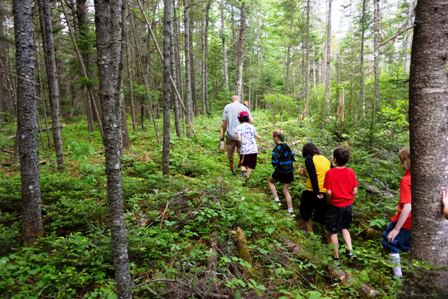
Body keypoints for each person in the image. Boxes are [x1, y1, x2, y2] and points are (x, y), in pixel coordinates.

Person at [381, 147, 411, 279]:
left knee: (389, 240)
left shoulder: (406, 180)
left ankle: (398, 277)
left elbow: (408, 206)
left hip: (405, 221)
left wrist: (397, 229)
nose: (401, 164)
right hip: (417, 221)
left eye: (402, 161)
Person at [323, 147, 358, 260]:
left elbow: (328, 192)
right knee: (345, 228)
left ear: (334, 159)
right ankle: (350, 251)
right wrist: (349, 200)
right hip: (348, 205)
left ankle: (336, 256)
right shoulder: (350, 172)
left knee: (332, 231)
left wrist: (328, 202)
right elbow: (355, 191)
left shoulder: (330, 173)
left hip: (334, 206)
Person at [299, 143, 332, 232]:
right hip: (326, 191)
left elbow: (314, 176)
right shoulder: (326, 159)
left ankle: (310, 234)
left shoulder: (309, 159)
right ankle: (329, 240)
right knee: (323, 217)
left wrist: (317, 192)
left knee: (306, 212)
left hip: (313, 191)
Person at [220, 95, 252, 174]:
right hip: (242, 135)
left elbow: (224, 123)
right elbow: (251, 121)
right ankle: (243, 168)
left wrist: (222, 134)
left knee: (230, 153)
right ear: (239, 100)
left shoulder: (227, 107)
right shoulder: (244, 108)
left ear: (232, 100)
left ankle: (232, 170)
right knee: (242, 152)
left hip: (230, 134)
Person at [268, 130, 295, 216]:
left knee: (270, 181)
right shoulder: (287, 146)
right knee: (286, 190)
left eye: (274, 137)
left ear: (276, 137)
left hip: (280, 171)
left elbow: (274, 161)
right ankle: (290, 211)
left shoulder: (277, 149)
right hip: (289, 171)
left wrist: (276, 166)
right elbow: (292, 157)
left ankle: (277, 200)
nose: (273, 139)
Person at [234, 111, 261, 182]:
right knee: (250, 165)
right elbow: (258, 137)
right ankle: (246, 179)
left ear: (239, 119)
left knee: (242, 165)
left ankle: (244, 172)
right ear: (248, 118)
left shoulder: (238, 127)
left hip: (245, 150)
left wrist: (239, 142)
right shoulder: (252, 127)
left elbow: (239, 139)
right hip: (254, 149)